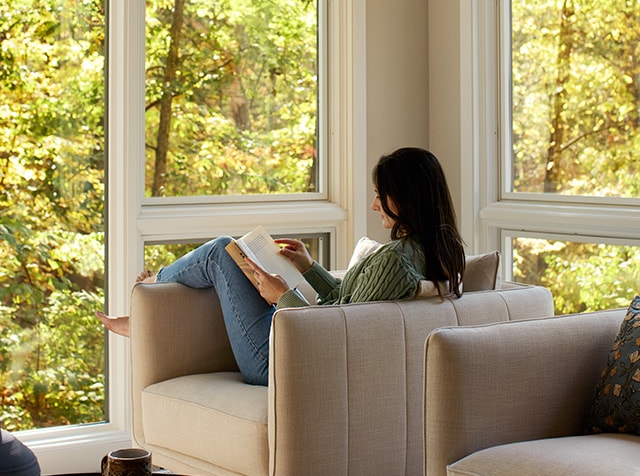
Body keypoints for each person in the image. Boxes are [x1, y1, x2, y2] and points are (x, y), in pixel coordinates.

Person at [97, 147, 465, 386]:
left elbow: (338, 335)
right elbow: (348, 309)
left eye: (378, 195)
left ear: (404, 197)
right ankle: (149, 304)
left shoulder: (394, 262)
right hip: (300, 351)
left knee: (220, 251)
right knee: (230, 253)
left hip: (284, 362)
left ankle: (149, 297)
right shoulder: (435, 254)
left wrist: (282, 296)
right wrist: (309, 268)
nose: (373, 206)